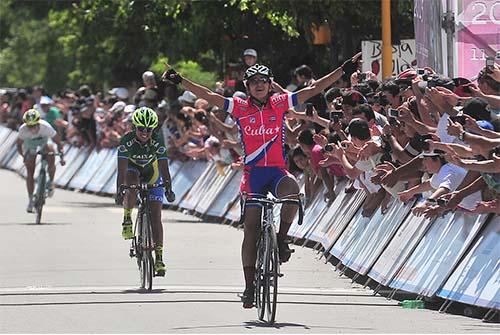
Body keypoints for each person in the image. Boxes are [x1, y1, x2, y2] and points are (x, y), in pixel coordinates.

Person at [162, 52, 361, 308]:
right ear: (247, 87)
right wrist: (181, 81)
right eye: (253, 81)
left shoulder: (279, 104)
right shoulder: (240, 107)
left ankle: (281, 239)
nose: (258, 84)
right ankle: (248, 286)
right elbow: (209, 96)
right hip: (253, 175)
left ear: (270, 84)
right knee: (252, 229)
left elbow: (315, 88)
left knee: (292, 193)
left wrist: (342, 71)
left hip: (277, 172)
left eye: (263, 81)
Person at [115, 107, 175, 277]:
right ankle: (127, 218)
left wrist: (169, 187)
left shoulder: (157, 141)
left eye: (149, 129)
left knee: (156, 215)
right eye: (141, 129)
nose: (145, 132)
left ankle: (159, 258)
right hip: (132, 170)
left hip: (152, 173)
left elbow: (164, 168)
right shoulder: (126, 141)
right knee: (131, 184)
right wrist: (119, 190)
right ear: (135, 127)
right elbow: (121, 170)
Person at [16, 109, 65, 213]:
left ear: (38, 122)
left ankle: (50, 182)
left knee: (51, 153)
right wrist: (23, 156)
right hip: (30, 145)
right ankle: (30, 200)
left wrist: (61, 156)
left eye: (34, 125)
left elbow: (59, 142)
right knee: (30, 171)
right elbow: (19, 144)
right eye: (29, 125)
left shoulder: (46, 127)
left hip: (44, 142)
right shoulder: (23, 130)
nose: (31, 128)